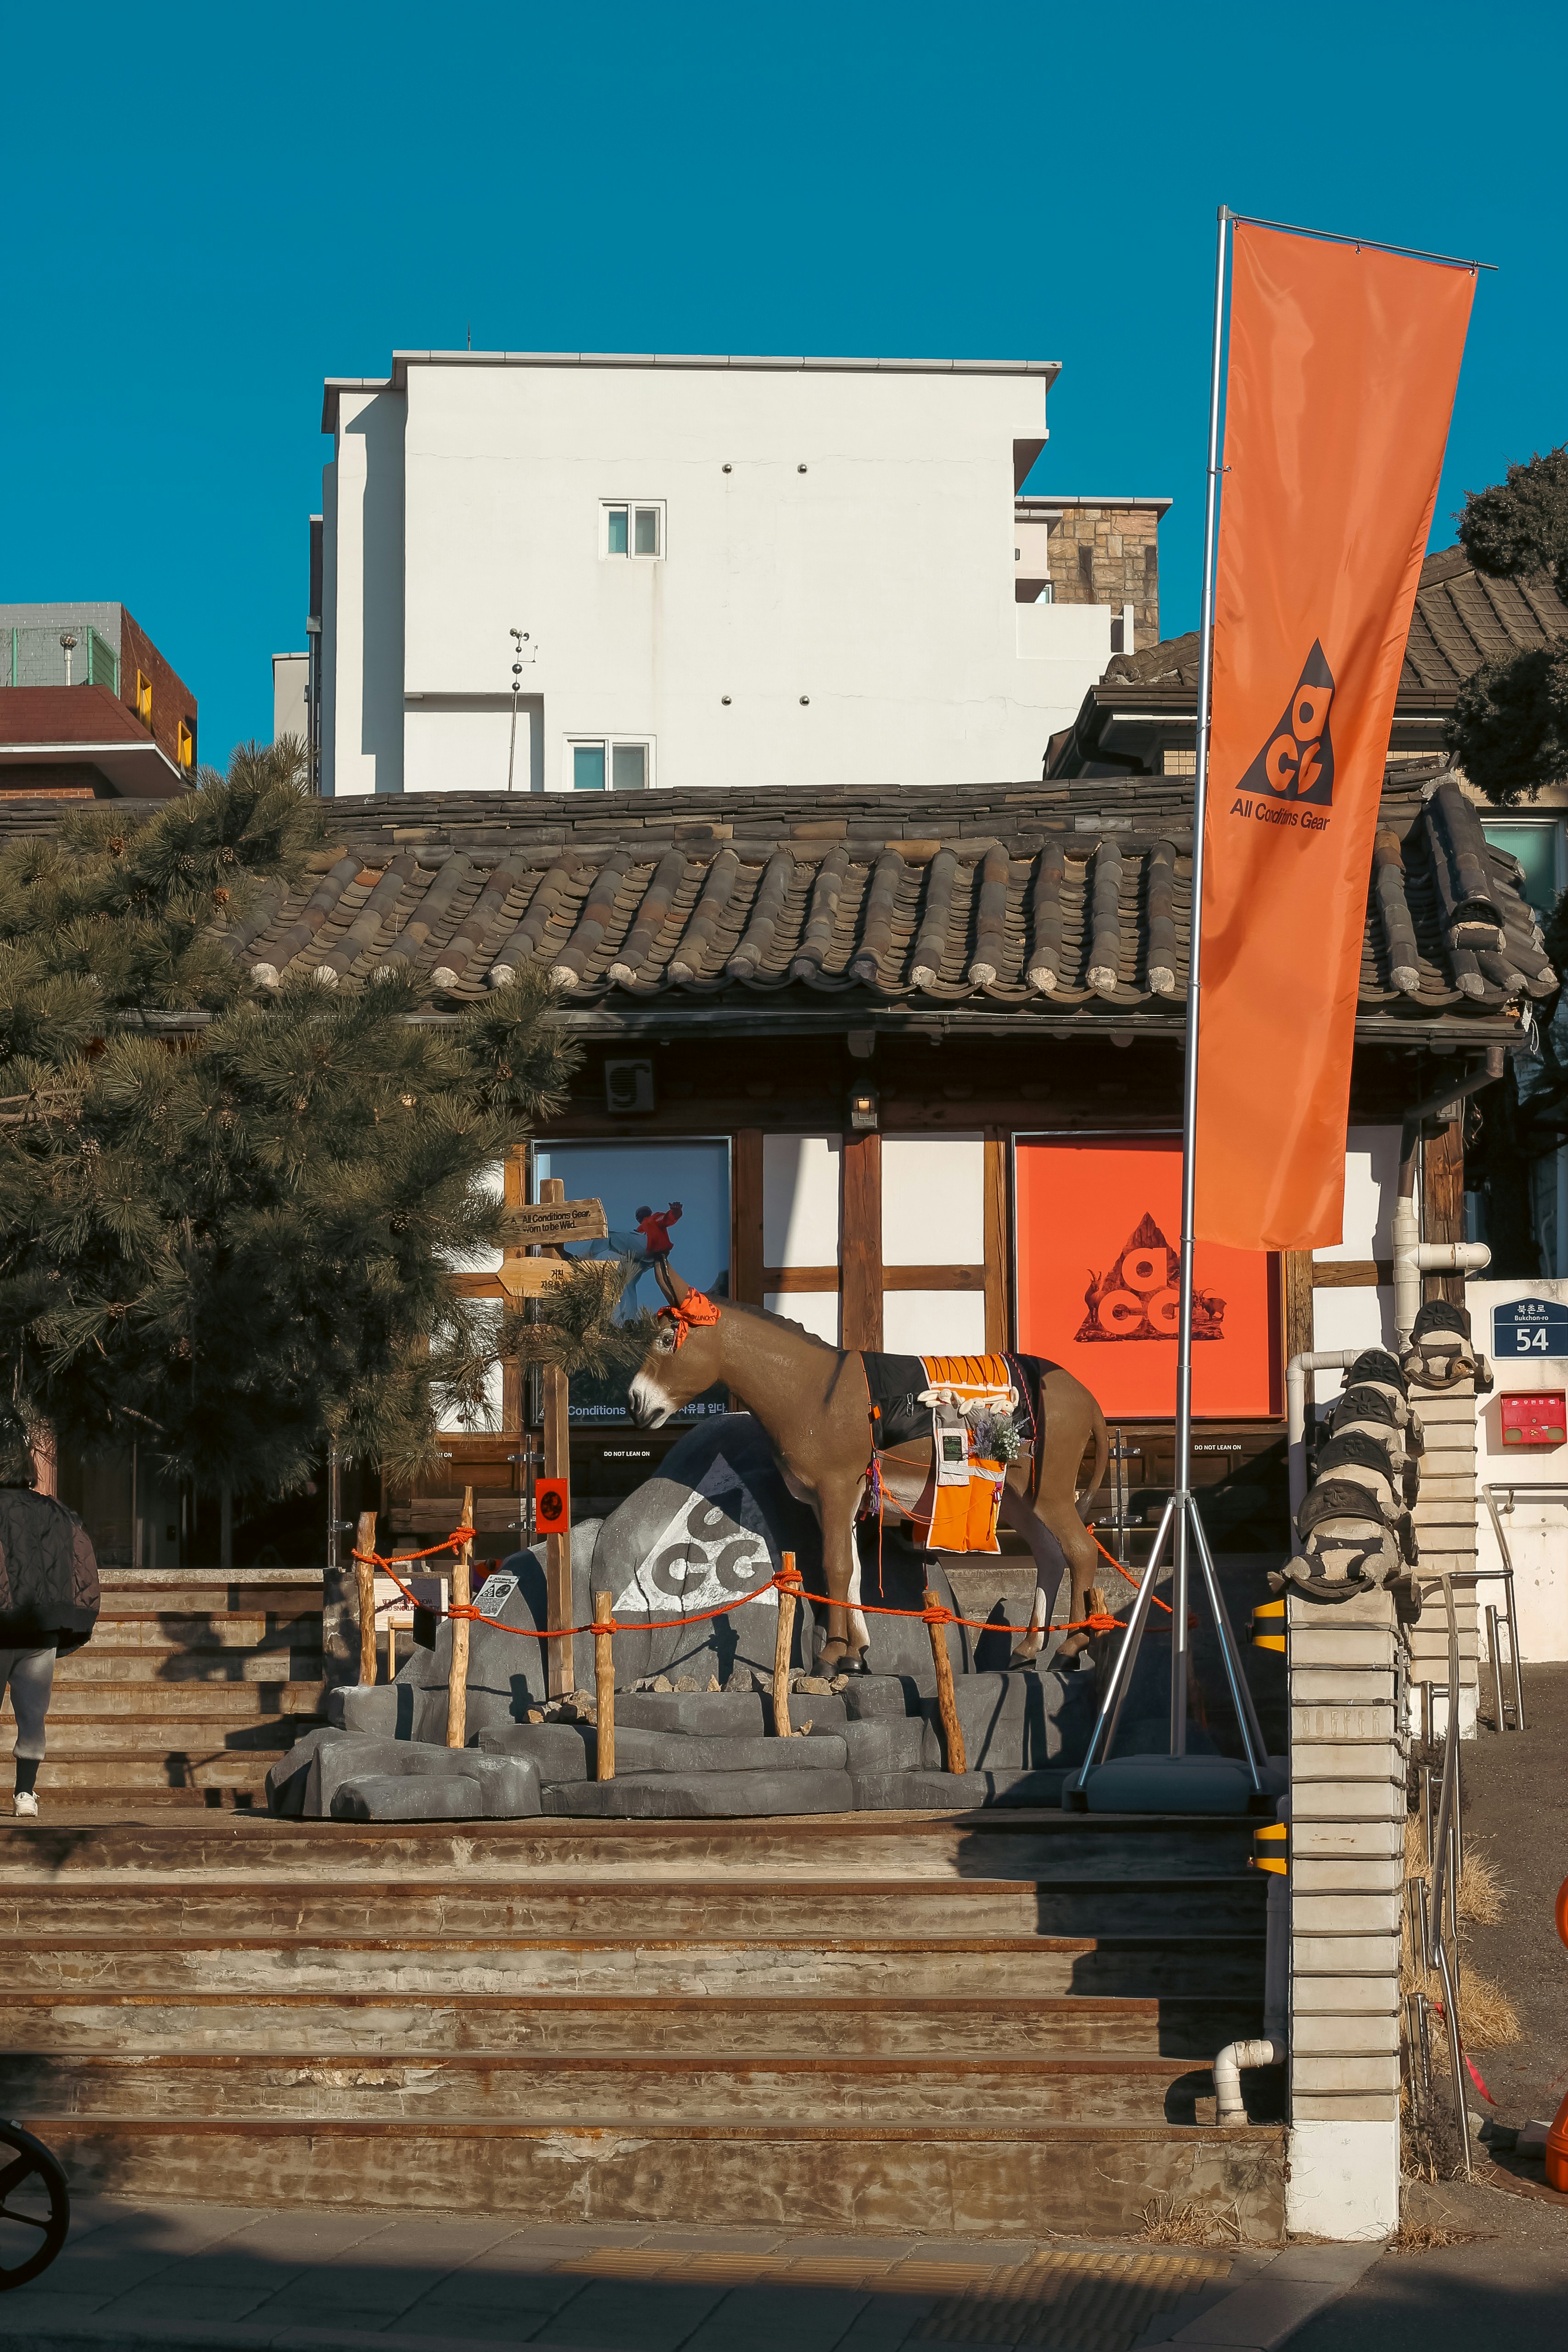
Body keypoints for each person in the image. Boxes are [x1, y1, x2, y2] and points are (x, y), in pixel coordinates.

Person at [0, 1418, 100, 1819]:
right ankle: (26, 1794)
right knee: (32, 1715)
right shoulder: (58, 1512)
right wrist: (75, 1620)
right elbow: (84, 1569)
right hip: (40, 1629)